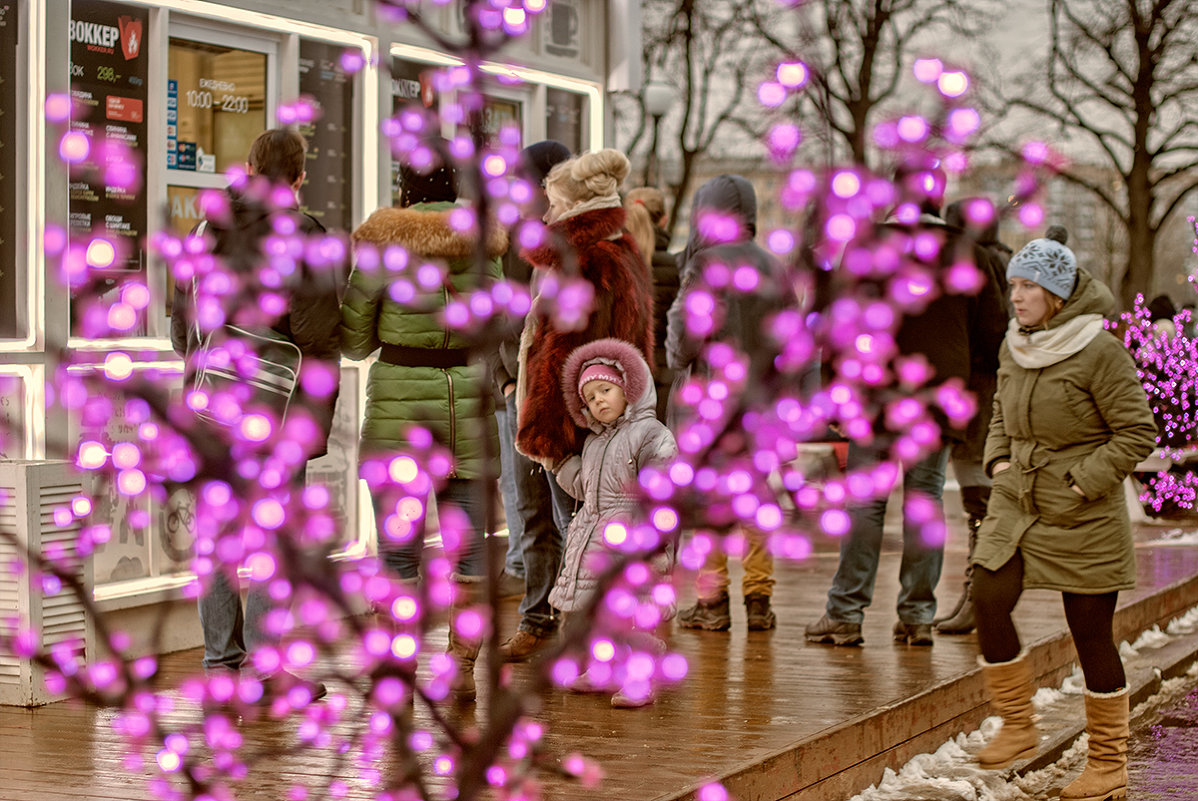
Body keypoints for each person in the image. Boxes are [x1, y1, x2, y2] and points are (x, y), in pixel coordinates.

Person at [970, 227, 1155, 801]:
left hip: (1083, 512)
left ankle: (1108, 763)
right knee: (988, 599)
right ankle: (1019, 723)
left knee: (1090, 634)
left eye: (1028, 286)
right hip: (1016, 500)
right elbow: (1001, 410)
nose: (1016, 296)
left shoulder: (1099, 350)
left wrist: (1082, 483)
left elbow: (1137, 433)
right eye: (1013, 285)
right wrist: (997, 459)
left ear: (1058, 294)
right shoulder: (1014, 343)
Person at [170, 128, 343, 703]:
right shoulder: (303, 236)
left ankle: (221, 669)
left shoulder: (204, 229)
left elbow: (182, 327)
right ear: (298, 177)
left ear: (247, 167)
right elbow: (318, 335)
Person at [805, 166, 1008, 647]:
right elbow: (992, 334)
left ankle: (846, 613)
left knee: (866, 504)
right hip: (938, 401)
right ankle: (917, 614)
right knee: (926, 500)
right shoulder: (969, 253)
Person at [340, 142, 507, 701]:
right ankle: (461, 664)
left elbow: (356, 340)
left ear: (404, 189)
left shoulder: (380, 248)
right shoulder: (487, 245)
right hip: (467, 408)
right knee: (473, 551)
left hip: (398, 415)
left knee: (397, 552)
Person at [501, 148, 655, 661]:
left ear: (575, 209)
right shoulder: (606, 254)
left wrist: (559, 423)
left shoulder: (588, 262)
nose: (544, 215)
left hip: (577, 427)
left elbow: (572, 355)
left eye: (553, 204)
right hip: (587, 422)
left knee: (584, 538)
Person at [667, 174, 786, 632]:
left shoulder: (704, 265)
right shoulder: (775, 267)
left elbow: (683, 340)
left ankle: (713, 602)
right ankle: (759, 599)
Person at [550, 338, 678, 707]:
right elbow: (584, 489)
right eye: (590, 398)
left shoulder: (650, 434)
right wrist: (560, 465)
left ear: (629, 389)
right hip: (594, 539)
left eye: (605, 390)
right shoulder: (593, 443)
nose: (599, 401)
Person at [493, 141, 574, 604]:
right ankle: (536, 613)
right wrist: (505, 381)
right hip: (516, 390)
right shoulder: (508, 236)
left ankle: (571, 613)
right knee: (528, 507)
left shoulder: (574, 238)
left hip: (561, 392)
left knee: (569, 507)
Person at [934, 199, 1014, 635]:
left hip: (981, 401)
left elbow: (991, 334)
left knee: (981, 504)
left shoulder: (984, 264)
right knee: (984, 503)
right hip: (987, 397)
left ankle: (979, 597)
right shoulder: (999, 259)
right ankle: (979, 596)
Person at [624, 187, 680, 422]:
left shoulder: (618, 264)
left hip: (626, 378)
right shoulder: (677, 267)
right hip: (665, 376)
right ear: (664, 220)